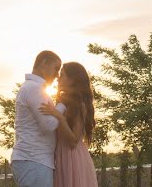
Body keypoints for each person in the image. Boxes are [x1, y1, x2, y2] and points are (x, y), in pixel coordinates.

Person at [39, 62, 98, 187]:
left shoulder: (79, 105)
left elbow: (73, 141)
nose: (58, 78)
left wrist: (59, 116)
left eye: (62, 75)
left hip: (72, 158)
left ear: (72, 80)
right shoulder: (62, 102)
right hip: (61, 157)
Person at [11, 51, 63, 187]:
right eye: (56, 68)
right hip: (34, 160)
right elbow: (48, 124)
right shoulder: (34, 88)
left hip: (33, 160)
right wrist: (62, 105)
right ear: (44, 63)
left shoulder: (31, 87)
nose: (57, 75)